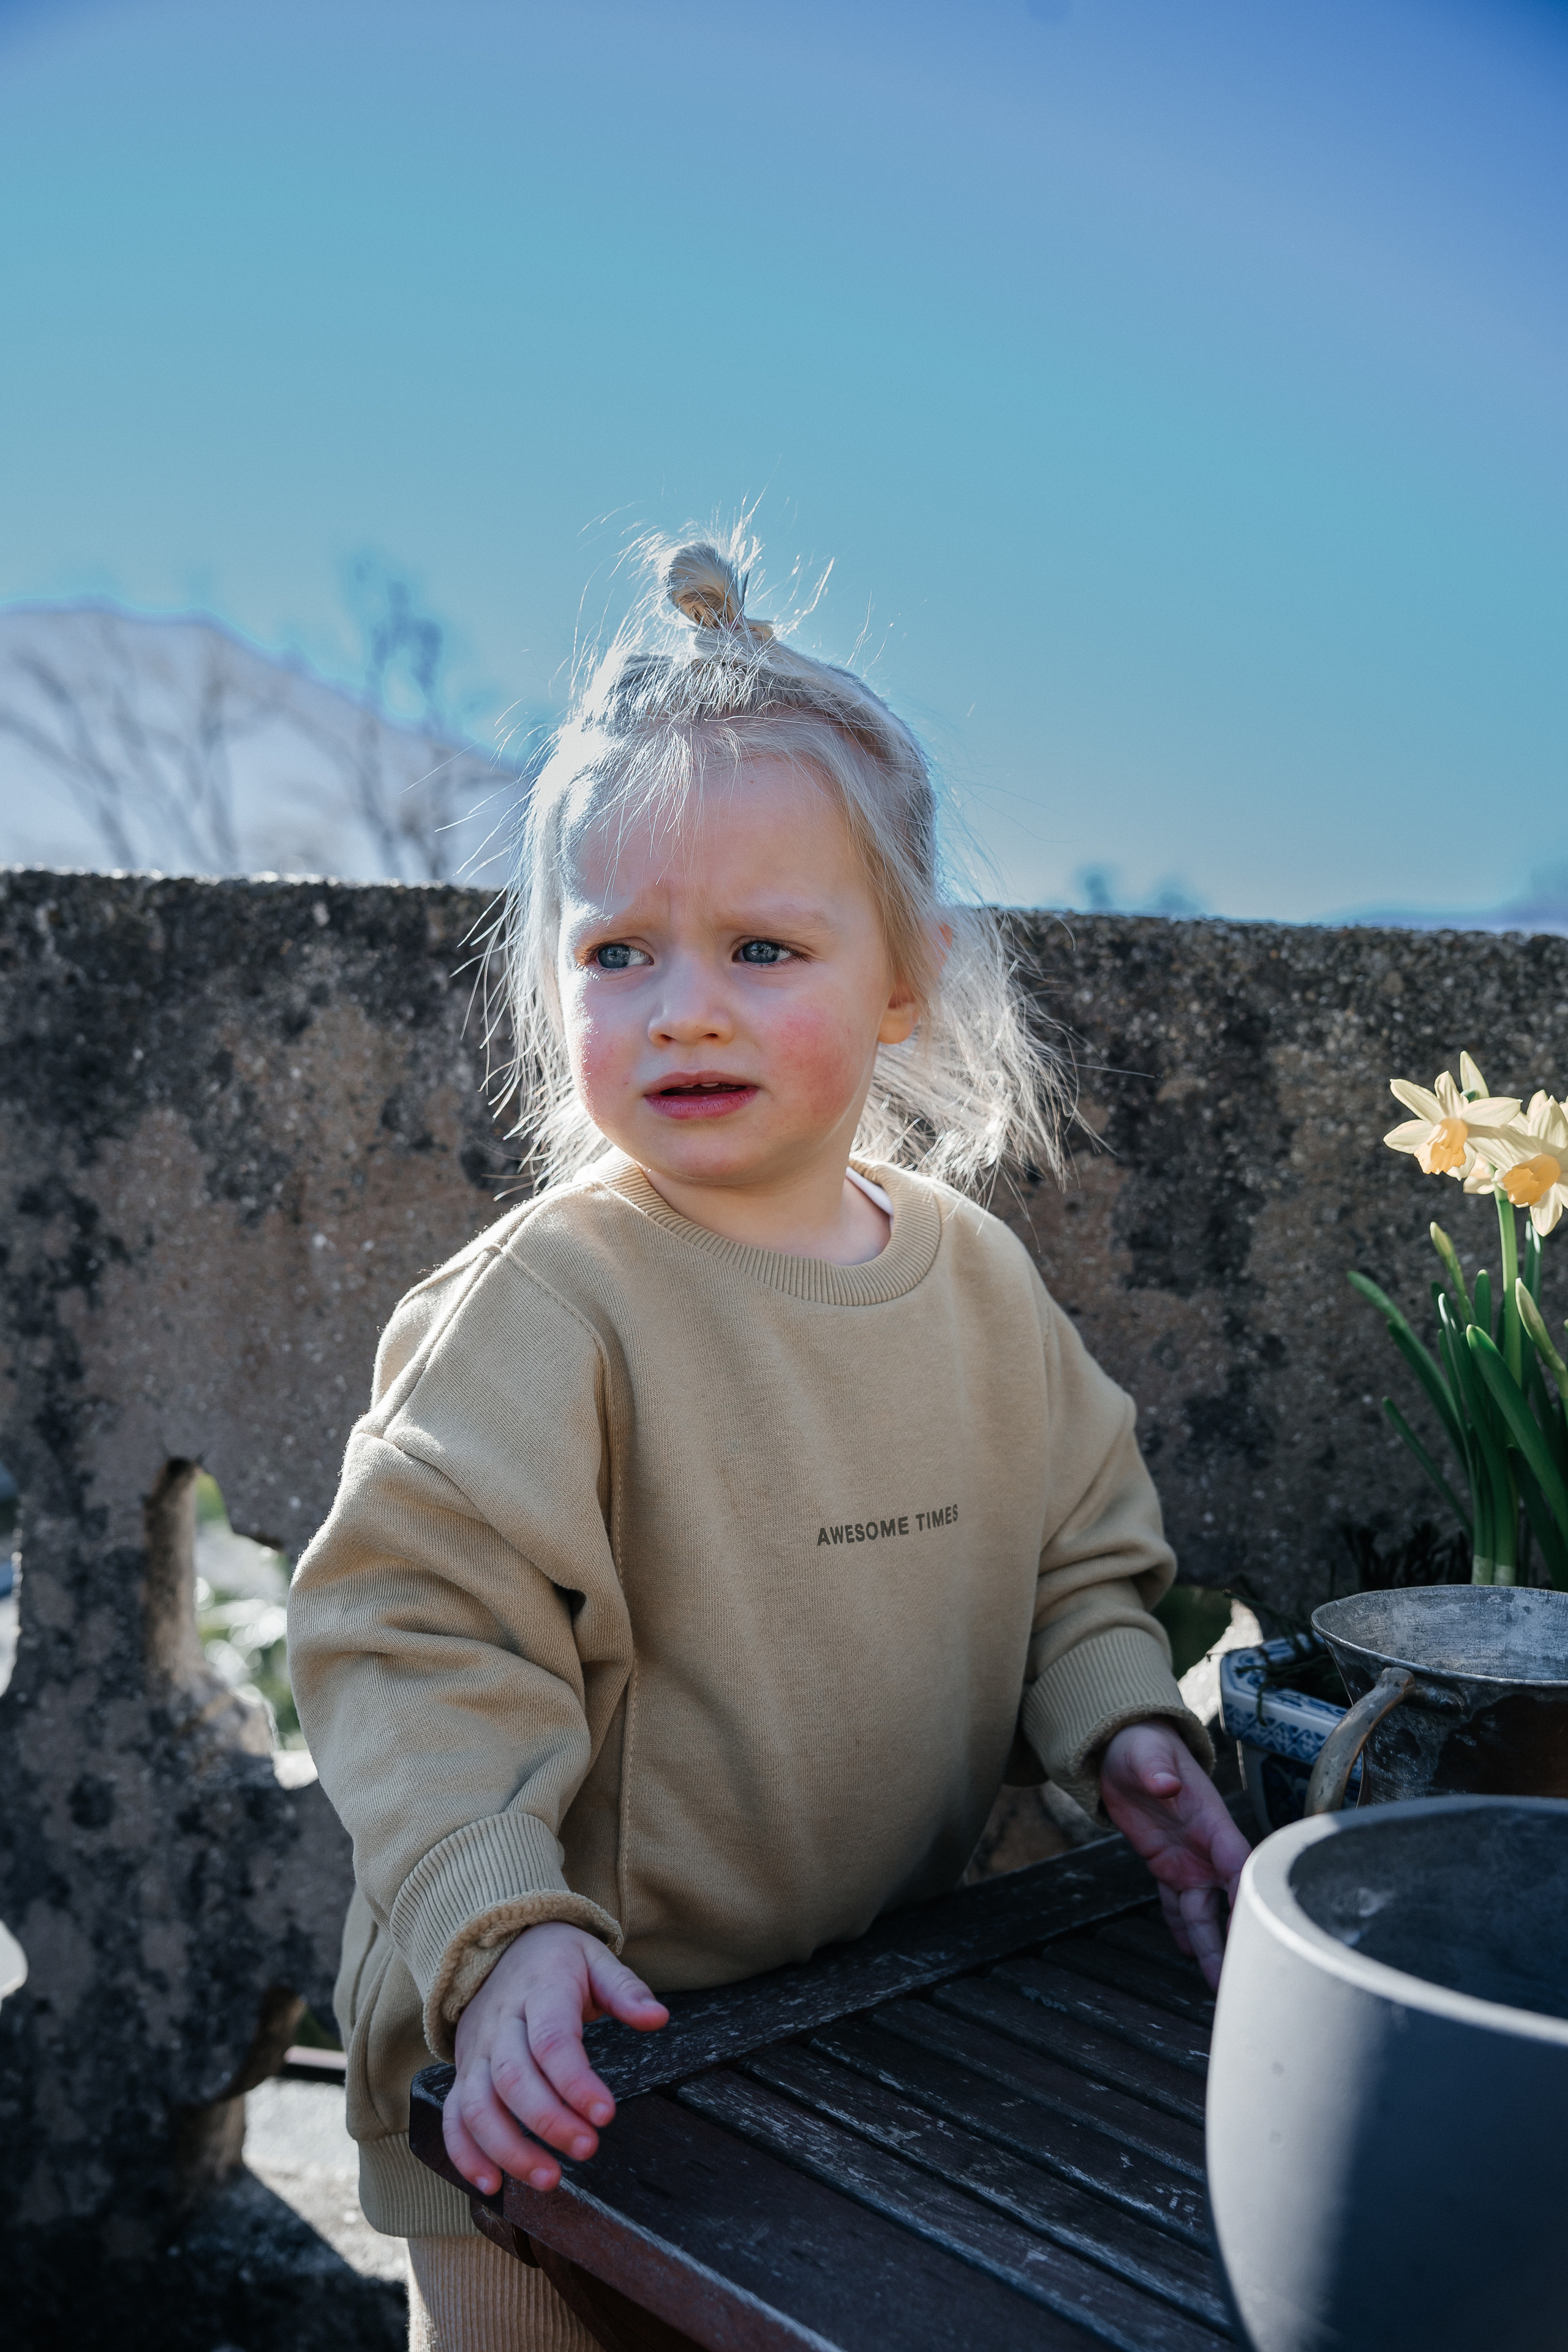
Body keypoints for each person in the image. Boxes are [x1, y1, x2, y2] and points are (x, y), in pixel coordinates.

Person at [287, 531, 1249, 2351]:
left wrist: (1114, 1713)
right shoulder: (551, 1302)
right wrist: (500, 1933)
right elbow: (408, 1630)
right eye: (621, 951)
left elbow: (1077, 1541)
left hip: (860, 2026)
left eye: (761, 946)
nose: (688, 1004)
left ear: (905, 979)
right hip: (558, 2063)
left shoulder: (971, 1277)